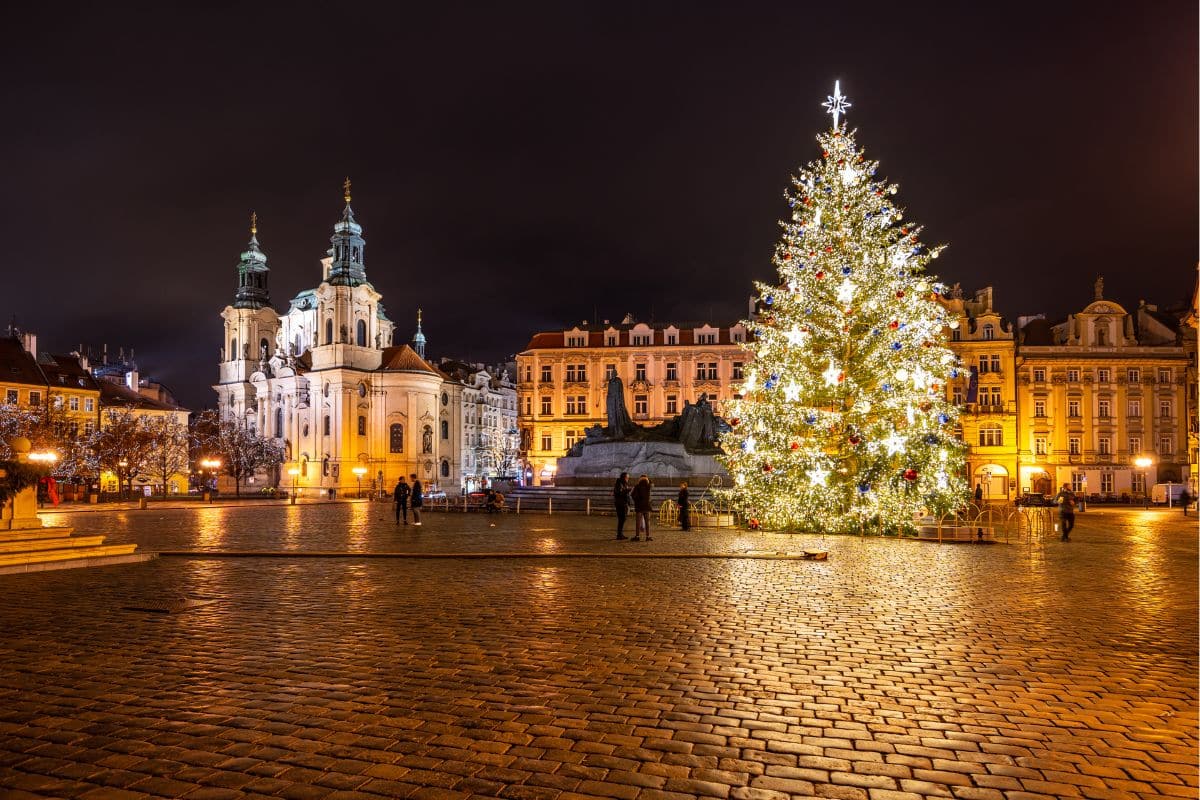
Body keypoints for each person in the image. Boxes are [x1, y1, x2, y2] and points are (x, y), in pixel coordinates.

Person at [631, 475, 653, 541]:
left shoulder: (637, 486)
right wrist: (646, 478)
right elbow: (651, 482)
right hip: (647, 506)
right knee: (647, 522)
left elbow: (632, 495)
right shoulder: (648, 486)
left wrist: (636, 501)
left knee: (638, 522)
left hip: (639, 506)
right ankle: (648, 536)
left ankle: (637, 536)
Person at [613, 472, 631, 539]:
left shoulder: (622, 483)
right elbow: (619, 493)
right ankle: (619, 534)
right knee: (622, 519)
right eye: (627, 477)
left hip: (623, 503)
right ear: (624, 477)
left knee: (622, 519)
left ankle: (620, 534)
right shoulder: (619, 484)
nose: (628, 479)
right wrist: (628, 490)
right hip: (621, 504)